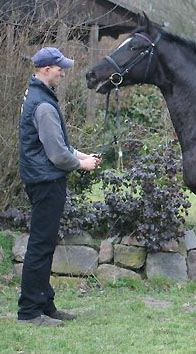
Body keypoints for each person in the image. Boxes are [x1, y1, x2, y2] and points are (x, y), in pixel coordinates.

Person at [17, 47, 101, 327]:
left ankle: (45, 304)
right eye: (59, 67)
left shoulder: (37, 96)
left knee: (44, 245)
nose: (63, 72)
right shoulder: (42, 105)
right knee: (40, 247)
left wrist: (83, 155)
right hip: (46, 183)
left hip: (42, 179)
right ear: (45, 69)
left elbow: (60, 146)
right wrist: (81, 165)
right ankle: (29, 312)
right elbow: (57, 154)